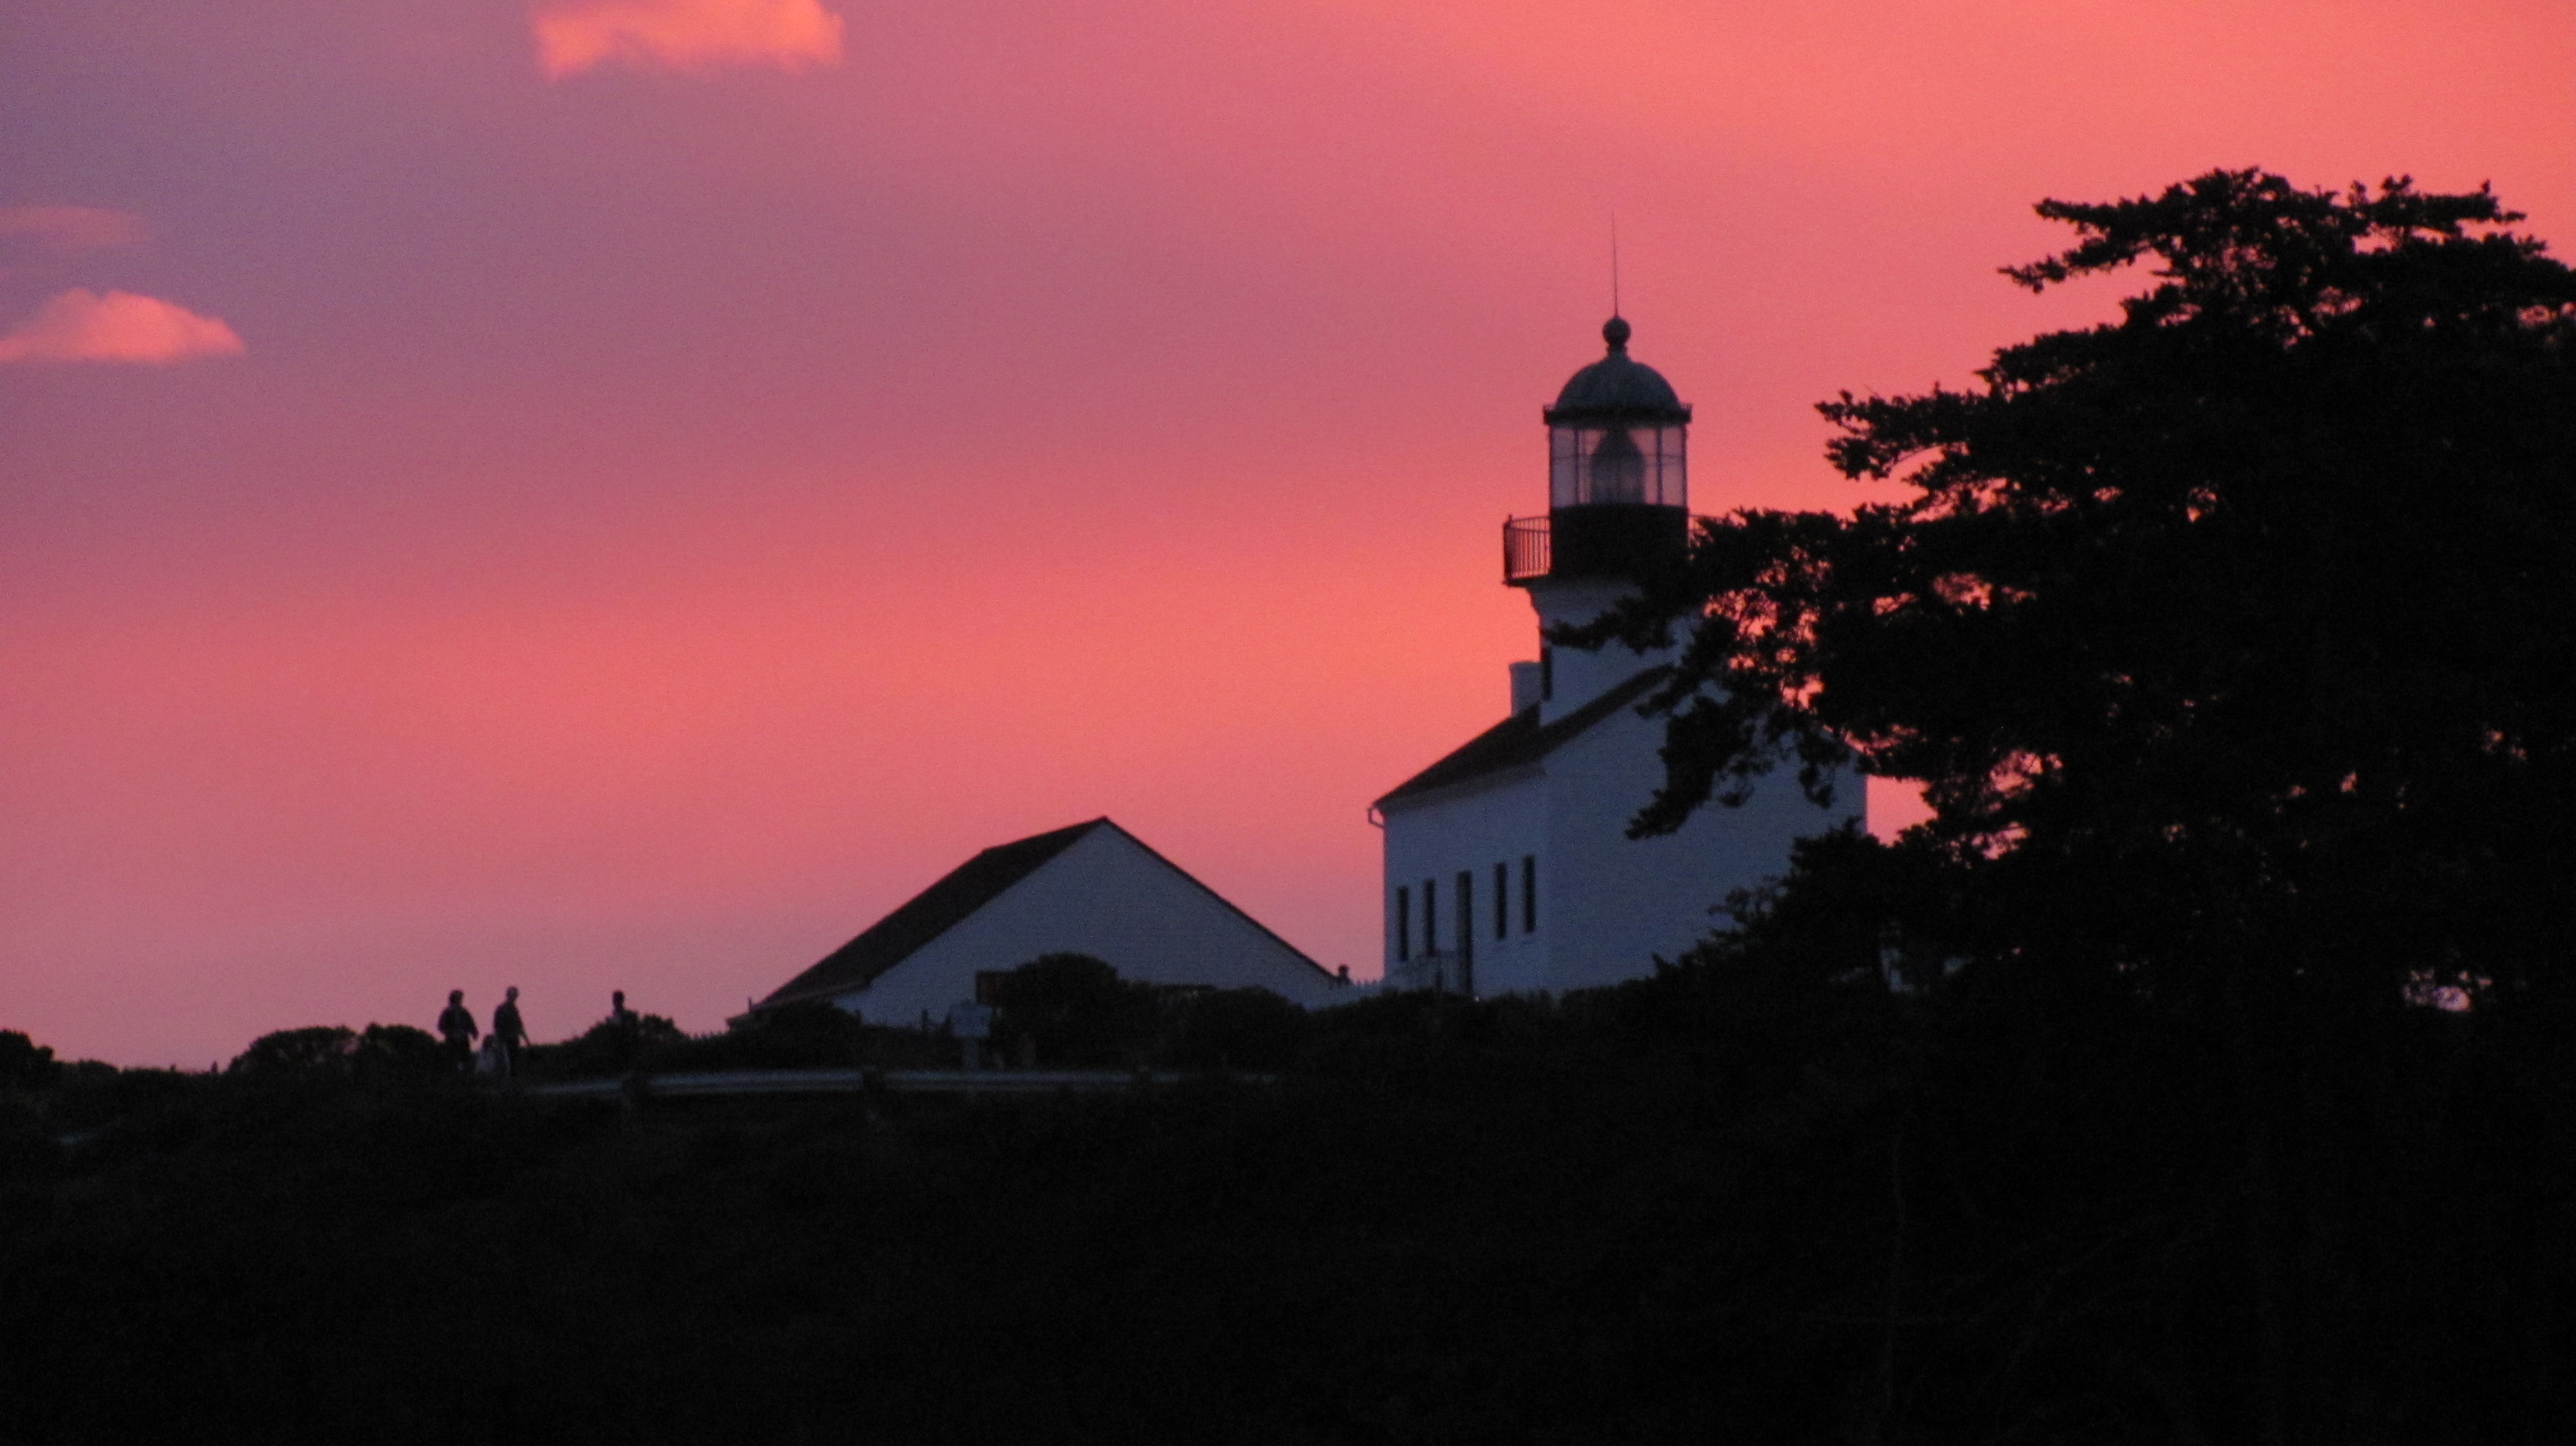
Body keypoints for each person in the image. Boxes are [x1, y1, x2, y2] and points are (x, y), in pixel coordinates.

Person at [436, 990, 478, 1074]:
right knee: (452, 1059)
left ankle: (465, 1075)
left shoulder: (464, 1012)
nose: (460, 1000)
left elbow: (471, 1023)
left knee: (465, 1059)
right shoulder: (447, 1012)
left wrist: (474, 1032)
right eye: (458, 998)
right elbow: (441, 1026)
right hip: (452, 1040)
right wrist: (450, 1033)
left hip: (463, 1038)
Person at [491, 986, 528, 1077]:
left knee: (514, 1059)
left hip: (513, 1038)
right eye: (513, 995)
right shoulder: (502, 1009)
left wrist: (526, 1040)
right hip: (505, 1039)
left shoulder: (514, 1009)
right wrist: (497, 1040)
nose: (514, 998)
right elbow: (497, 1026)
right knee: (507, 1060)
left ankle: (513, 1077)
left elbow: (519, 1025)